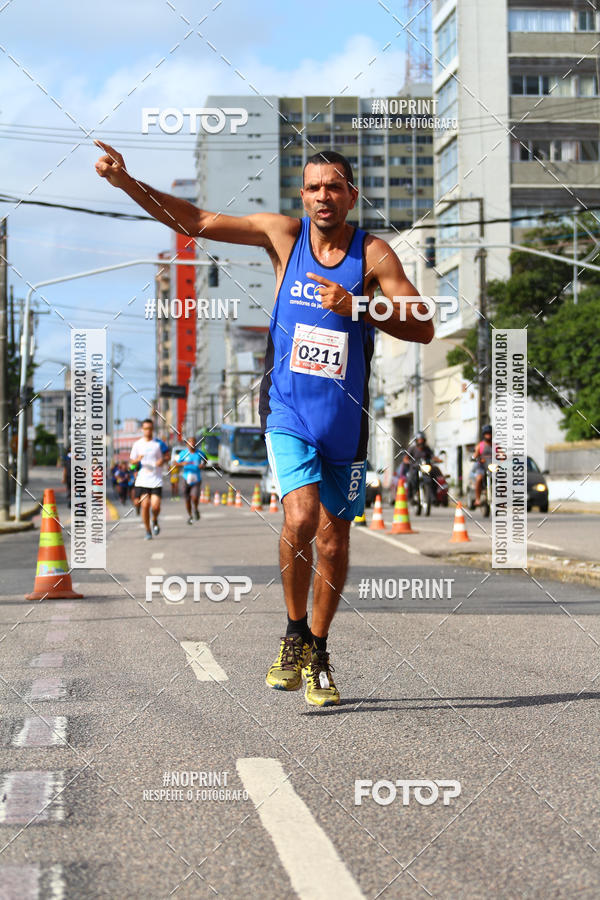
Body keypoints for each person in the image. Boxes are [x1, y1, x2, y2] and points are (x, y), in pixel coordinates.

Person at [94, 141, 433, 706]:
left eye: (335, 186)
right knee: (299, 519)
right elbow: (198, 220)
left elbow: (422, 324)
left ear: (351, 195)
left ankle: (318, 651)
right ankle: (294, 633)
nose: (324, 195)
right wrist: (129, 183)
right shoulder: (284, 236)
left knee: (333, 542)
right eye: (314, 187)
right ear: (303, 196)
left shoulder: (374, 254)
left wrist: (360, 307)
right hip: (287, 408)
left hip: (346, 419)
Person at [129, 418, 164, 539]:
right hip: (142, 480)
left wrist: (162, 460)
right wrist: (137, 460)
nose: (148, 431)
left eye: (150, 428)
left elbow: (165, 457)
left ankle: (154, 520)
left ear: (152, 429)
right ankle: (148, 531)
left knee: (155, 506)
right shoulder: (137, 444)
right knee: (145, 505)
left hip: (156, 480)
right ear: (142, 430)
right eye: (145, 428)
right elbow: (131, 461)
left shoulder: (158, 444)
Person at [177, 436, 205, 524]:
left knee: (195, 497)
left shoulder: (200, 453)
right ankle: (190, 515)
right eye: (190, 442)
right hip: (186, 478)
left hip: (196, 478)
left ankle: (196, 509)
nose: (192, 444)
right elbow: (175, 463)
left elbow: (205, 460)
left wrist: (202, 465)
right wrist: (182, 463)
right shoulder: (183, 453)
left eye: (194, 442)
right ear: (187, 444)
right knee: (187, 499)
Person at [405, 431, 436, 503]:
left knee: (434, 478)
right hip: (415, 467)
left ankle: (433, 496)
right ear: (416, 441)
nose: (421, 442)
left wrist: (438, 459)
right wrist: (408, 461)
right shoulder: (412, 449)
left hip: (425, 468)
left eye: (422, 440)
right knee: (411, 479)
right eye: (419, 440)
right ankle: (412, 496)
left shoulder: (427, 448)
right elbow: (406, 458)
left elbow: (433, 456)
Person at [473, 424, 493, 506]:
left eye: (489, 433)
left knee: (502, 479)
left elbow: (501, 454)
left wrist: (504, 457)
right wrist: (476, 458)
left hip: (491, 467)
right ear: (484, 435)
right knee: (479, 479)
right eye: (486, 433)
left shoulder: (495, 446)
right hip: (481, 466)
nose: (488, 435)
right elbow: (475, 455)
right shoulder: (480, 446)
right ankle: (477, 499)